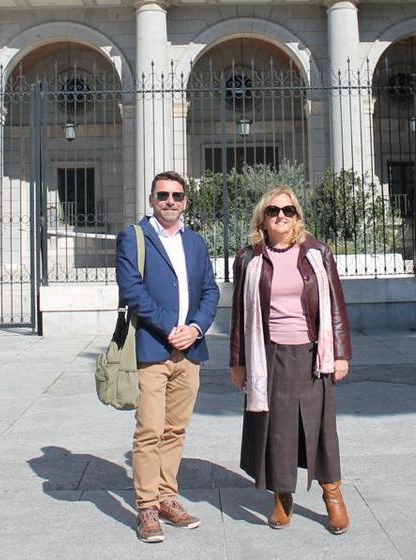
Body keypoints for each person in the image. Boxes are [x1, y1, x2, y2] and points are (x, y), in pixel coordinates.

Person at [229, 186, 353, 535]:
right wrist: (238, 363)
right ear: (263, 218)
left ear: (297, 216)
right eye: (273, 210)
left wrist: (341, 354)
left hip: (314, 353)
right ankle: (283, 495)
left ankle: (332, 495)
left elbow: (337, 307)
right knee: (278, 429)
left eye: (288, 210)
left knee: (322, 428)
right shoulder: (248, 258)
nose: (281, 215)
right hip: (268, 353)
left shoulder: (317, 254)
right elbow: (239, 314)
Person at [115, 171, 221, 543]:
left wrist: (195, 328)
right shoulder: (134, 238)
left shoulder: (195, 242)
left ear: (186, 201)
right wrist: (168, 328)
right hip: (153, 350)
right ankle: (146, 507)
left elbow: (210, 290)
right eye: (163, 196)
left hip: (189, 352)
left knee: (176, 429)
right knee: (149, 430)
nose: (170, 202)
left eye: (177, 196)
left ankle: (166, 497)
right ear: (151, 199)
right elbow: (132, 291)